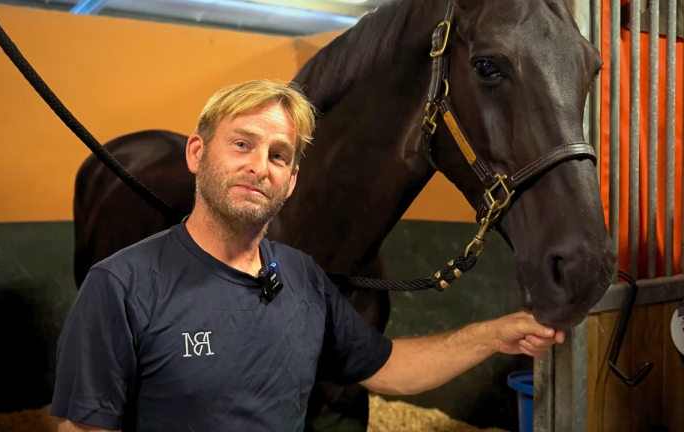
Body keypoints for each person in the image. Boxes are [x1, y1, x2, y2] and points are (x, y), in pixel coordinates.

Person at [50, 79, 565, 432]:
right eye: (242, 145)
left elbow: (389, 367)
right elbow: (83, 425)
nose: (260, 166)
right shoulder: (119, 285)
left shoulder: (301, 277)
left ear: (291, 180)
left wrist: (492, 335)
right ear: (197, 154)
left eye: (279, 155)